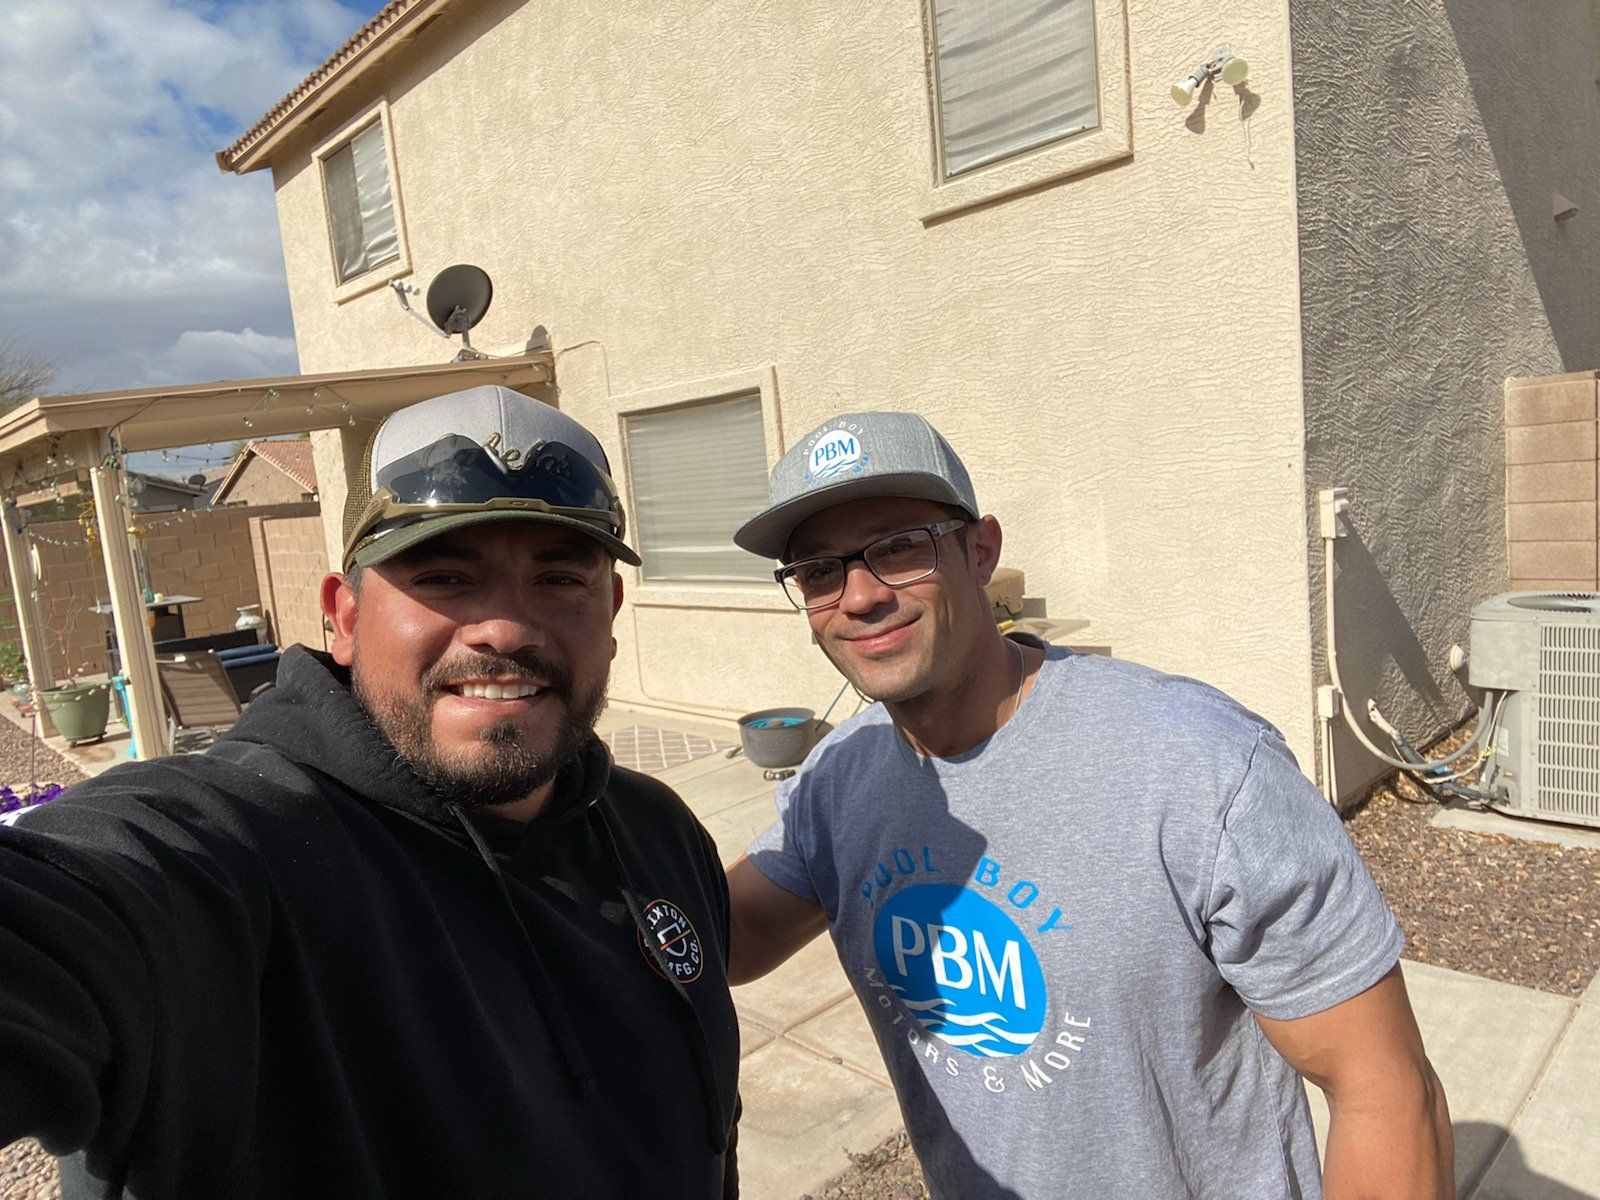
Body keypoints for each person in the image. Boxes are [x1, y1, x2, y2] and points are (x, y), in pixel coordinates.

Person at [0, 386, 740, 1198]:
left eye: (561, 577)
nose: (506, 627)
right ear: (343, 617)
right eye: (446, 575)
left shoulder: (654, 829)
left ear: (611, 613)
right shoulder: (232, 854)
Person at [725, 411, 1452, 1200]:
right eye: (820, 571)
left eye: (899, 546)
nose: (859, 596)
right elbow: (737, 933)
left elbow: (1385, 1088)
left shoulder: (1197, 766)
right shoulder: (840, 773)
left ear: (980, 552)